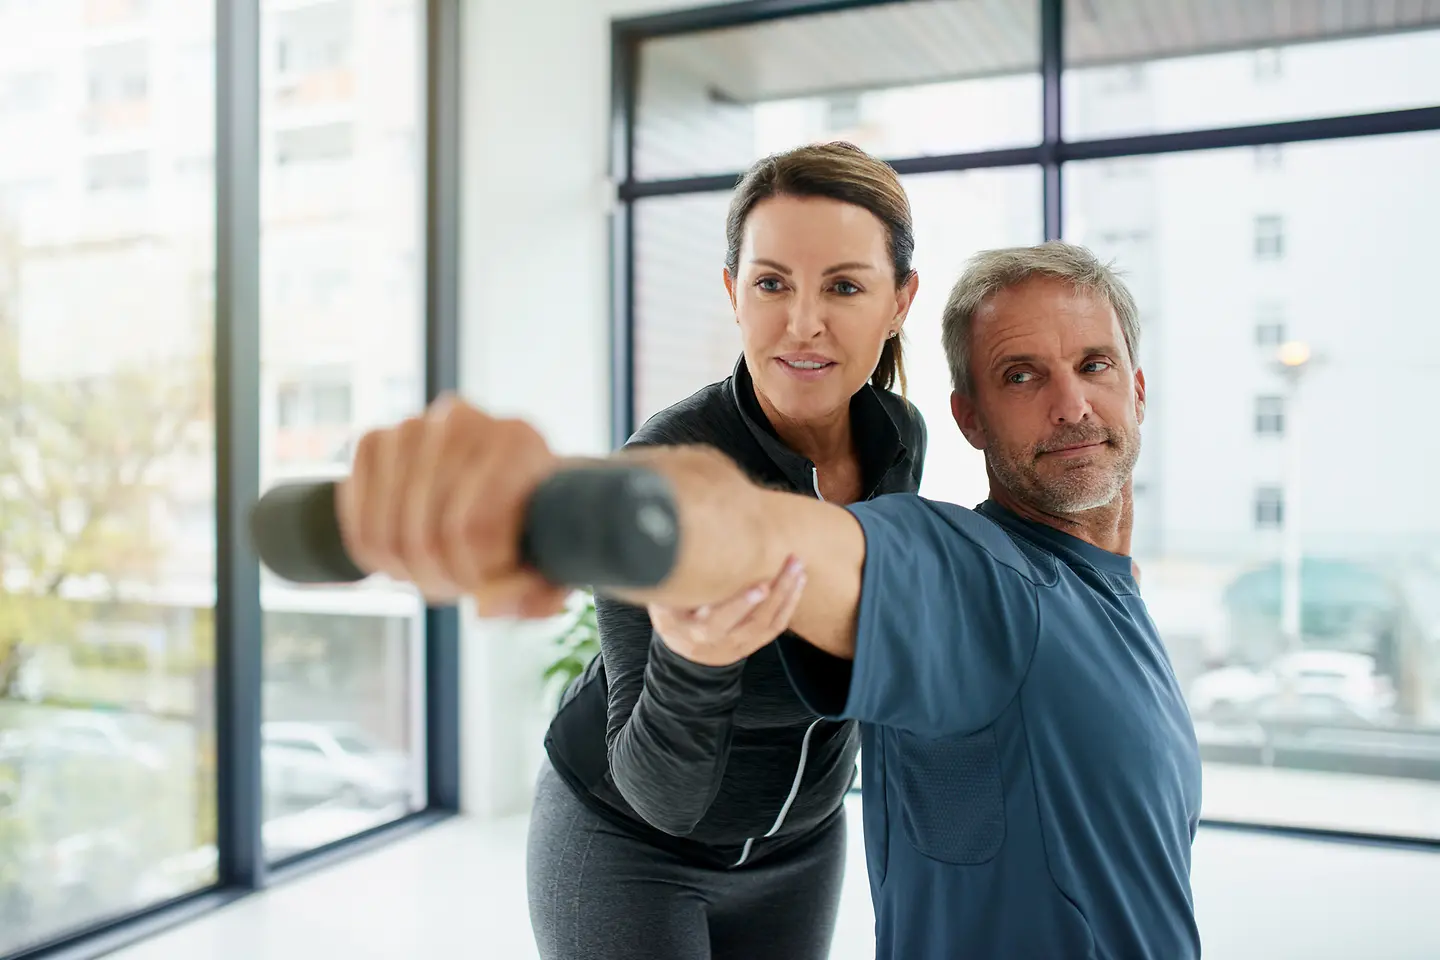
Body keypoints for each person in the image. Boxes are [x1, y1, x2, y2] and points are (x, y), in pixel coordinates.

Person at [333, 240, 1202, 960]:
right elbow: (754, 532)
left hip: (789, 842)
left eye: (1094, 364)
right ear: (970, 418)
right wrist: (559, 505)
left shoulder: (1107, 592)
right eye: (1021, 376)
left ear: (1137, 386)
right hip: (632, 830)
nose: (1070, 404)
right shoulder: (980, 583)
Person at [528, 142, 926, 960]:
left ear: (900, 302)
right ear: (732, 294)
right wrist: (693, 657)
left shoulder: (898, 438)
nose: (803, 322)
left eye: (845, 286)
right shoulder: (663, 473)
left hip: (803, 845)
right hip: (627, 848)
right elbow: (658, 795)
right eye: (771, 282)